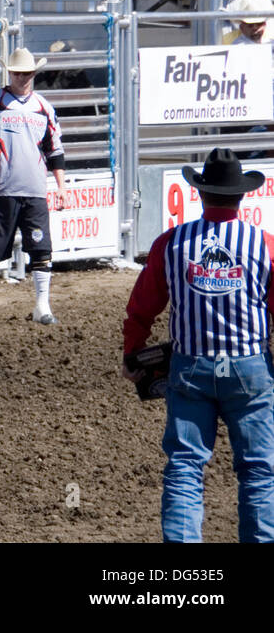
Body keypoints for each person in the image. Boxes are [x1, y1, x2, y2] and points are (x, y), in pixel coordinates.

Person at [122, 147, 274, 542]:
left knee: (185, 466)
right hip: (249, 367)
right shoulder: (265, 245)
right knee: (258, 470)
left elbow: (142, 307)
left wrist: (133, 351)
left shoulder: (171, 244)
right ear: (242, 196)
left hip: (191, 367)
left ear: (200, 193)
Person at [0, 47, 68, 325]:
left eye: (27, 73)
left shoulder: (44, 107)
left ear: (34, 74)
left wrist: (60, 186)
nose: (22, 78)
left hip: (34, 191)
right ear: (9, 73)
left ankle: (42, 305)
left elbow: (54, 148)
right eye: (17, 73)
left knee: (41, 247)